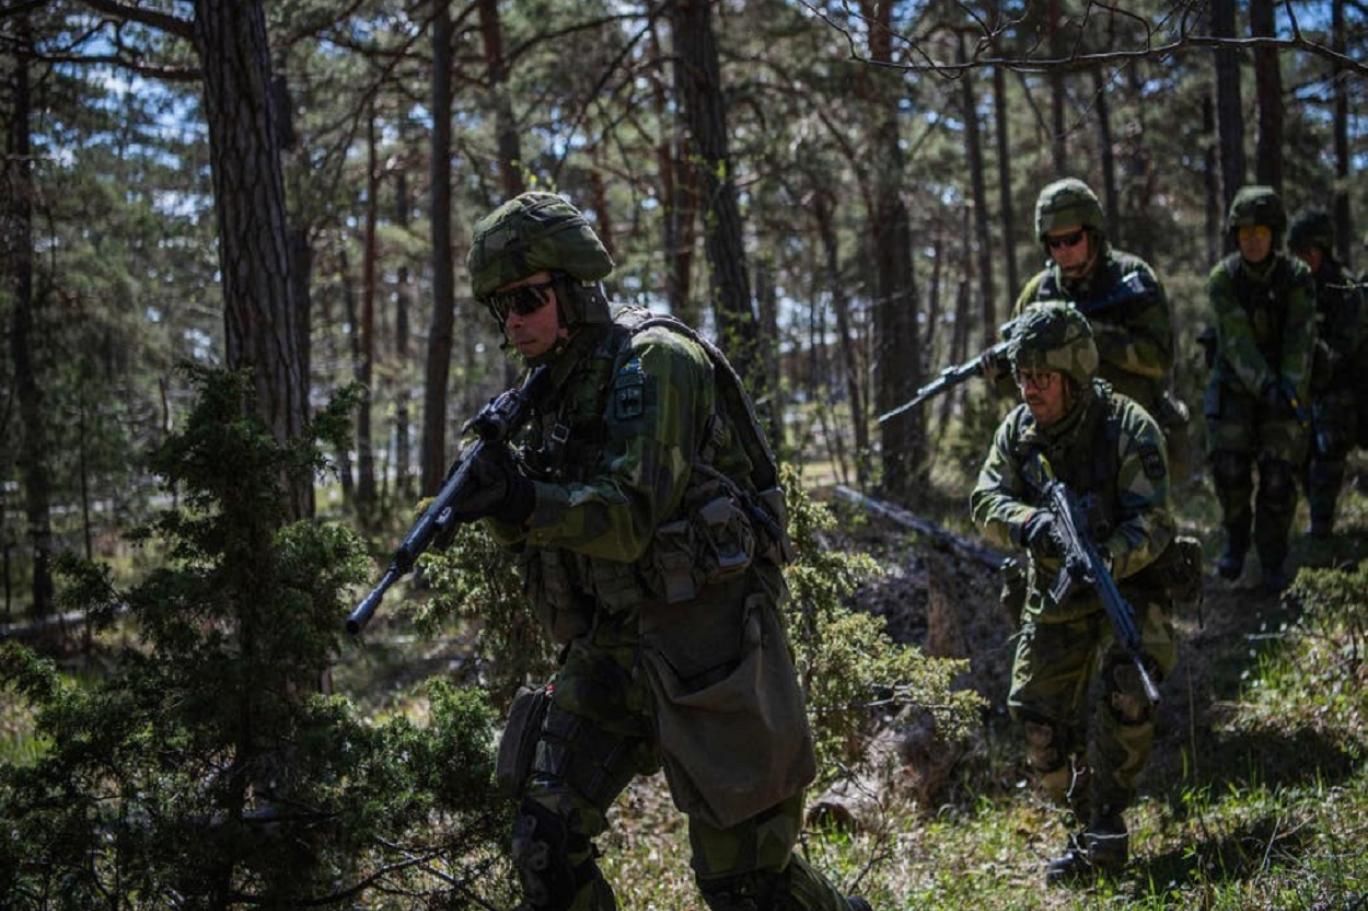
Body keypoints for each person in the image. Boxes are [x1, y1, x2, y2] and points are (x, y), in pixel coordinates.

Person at [455, 191, 868, 911]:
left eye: (526, 299)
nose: (513, 321)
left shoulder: (655, 363)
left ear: (573, 287)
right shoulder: (552, 383)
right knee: (542, 838)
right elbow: (550, 528)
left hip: (708, 646)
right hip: (612, 648)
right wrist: (498, 503)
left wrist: (524, 501)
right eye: (500, 307)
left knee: (747, 885)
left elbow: (629, 518)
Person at [971, 303, 1177, 884]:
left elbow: (1155, 521)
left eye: (1043, 377)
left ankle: (1107, 817)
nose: (1030, 389)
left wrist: (1107, 557)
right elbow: (984, 500)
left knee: (1129, 689)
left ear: (1076, 374)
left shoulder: (1128, 426)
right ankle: (1079, 823)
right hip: (1054, 596)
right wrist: (1029, 524)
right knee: (1039, 727)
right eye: (1023, 376)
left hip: (1129, 586)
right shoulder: (1018, 432)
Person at [1003, 178, 1190, 483]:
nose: (1063, 251)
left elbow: (1160, 358)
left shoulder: (1132, 278)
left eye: (1072, 239)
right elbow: (1014, 383)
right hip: (1062, 447)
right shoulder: (1037, 294)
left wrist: (1092, 337)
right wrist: (999, 370)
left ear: (1093, 234)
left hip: (1128, 437)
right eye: (1054, 243)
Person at [1205, 186, 1316, 592]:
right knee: (1228, 467)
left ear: (1275, 234)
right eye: (1244, 232)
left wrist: (1288, 390)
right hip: (1237, 387)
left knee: (1278, 476)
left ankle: (1272, 559)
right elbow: (1236, 341)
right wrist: (1265, 385)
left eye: (1260, 232)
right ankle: (1236, 539)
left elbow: (1301, 339)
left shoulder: (1297, 277)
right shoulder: (1223, 279)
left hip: (1284, 389)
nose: (1251, 240)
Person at [1286, 209, 1365, 536]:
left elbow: (1344, 346)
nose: (1304, 260)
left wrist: (1317, 357)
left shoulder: (1344, 288)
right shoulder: (1295, 287)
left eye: (1309, 252)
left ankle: (1321, 526)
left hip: (1349, 389)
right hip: (1311, 388)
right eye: (1299, 253)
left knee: (1328, 439)